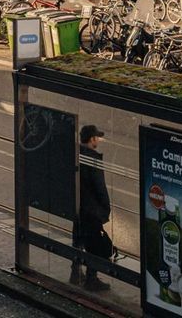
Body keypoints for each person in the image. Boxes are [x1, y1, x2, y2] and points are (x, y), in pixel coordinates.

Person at [69, 124, 112, 292]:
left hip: (78, 206)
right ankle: (91, 279)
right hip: (91, 209)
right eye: (97, 137)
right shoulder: (92, 158)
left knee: (78, 240)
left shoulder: (75, 154)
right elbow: (99, 186)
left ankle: (75, 272)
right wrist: (105, 208)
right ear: (92, 139)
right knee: (93, 245)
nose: (99, 140)